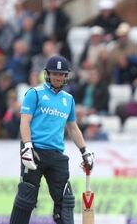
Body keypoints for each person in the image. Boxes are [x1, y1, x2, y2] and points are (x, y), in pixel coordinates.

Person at [9, 55, 95, 224]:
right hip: (35, 152)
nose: (58, 77)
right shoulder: (35, 93)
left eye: (62, 74)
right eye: (55, 73)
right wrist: (27, 146)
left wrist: (85, 150)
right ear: (47, 74)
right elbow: (24, 121)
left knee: (66, 200)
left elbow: (72, 127)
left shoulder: (68, 99)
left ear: (66, 76)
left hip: (56, 154)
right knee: (27, 196)